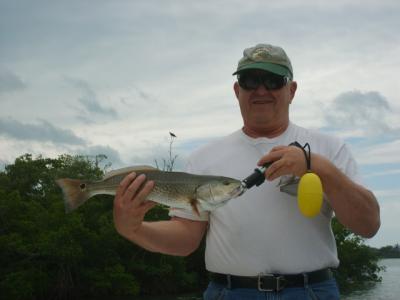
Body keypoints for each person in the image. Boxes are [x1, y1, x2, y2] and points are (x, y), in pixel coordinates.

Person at [113, 43, 380, 299]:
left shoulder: (330, 148)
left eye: (274, 80)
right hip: (228, 292)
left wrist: (317, 166)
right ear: (237, 90)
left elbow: (368, 225)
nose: (261, 90)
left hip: (311, 291)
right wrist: (133, 229)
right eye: (250, 81)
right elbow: (185, 239)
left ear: (292, 90)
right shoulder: (203, 158)